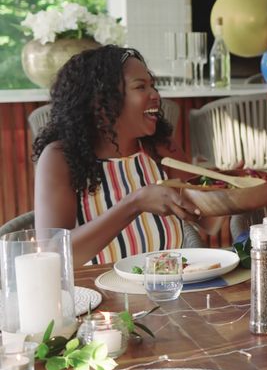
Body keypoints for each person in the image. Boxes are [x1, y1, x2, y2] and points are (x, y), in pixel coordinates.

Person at [33, 45, 204, 266]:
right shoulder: (60, 158)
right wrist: (134, 203)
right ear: (101, 100)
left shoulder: (161, 149)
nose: (155, 95)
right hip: (95, 298)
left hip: (169, 294)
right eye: (141, 87)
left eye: (152, 85)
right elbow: (52, 253)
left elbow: (209, 222)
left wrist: (223, 187)